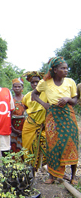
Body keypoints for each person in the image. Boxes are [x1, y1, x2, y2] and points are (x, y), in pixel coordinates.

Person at [32, 57, 79, 185]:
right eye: (62, 68)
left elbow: (74, 101)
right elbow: (34, 95)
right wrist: (44, 104)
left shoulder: (70, 82)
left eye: (66, 68)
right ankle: (52, 176)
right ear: (55, 70)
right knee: (52, 145)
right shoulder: (46, 83)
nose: (66, 70)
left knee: (71, 144)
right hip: (52, 116)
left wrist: (67, 99)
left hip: (68, 116)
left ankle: (73, 176)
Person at [21, 71, 47, 174]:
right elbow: (25, 108)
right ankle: (30, 173)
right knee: (27, 150)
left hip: (43, 127)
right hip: (29, 126)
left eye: (37, 82)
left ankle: (53, 174)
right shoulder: (27, 96)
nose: (35, 84)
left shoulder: (47, 94)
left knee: (47, 148)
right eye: (33, 82)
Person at [11, 77, 26, 154]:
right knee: (13, 147)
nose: (17, 88)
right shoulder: (10, 100)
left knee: (23, 147)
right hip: (13, 128)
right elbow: (8, 116)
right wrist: (14, 130)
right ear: (12, 88)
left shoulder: (26, 99)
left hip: (25, 128)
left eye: (19, 86)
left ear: (22, 88)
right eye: (15, 86)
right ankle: (14, 166)